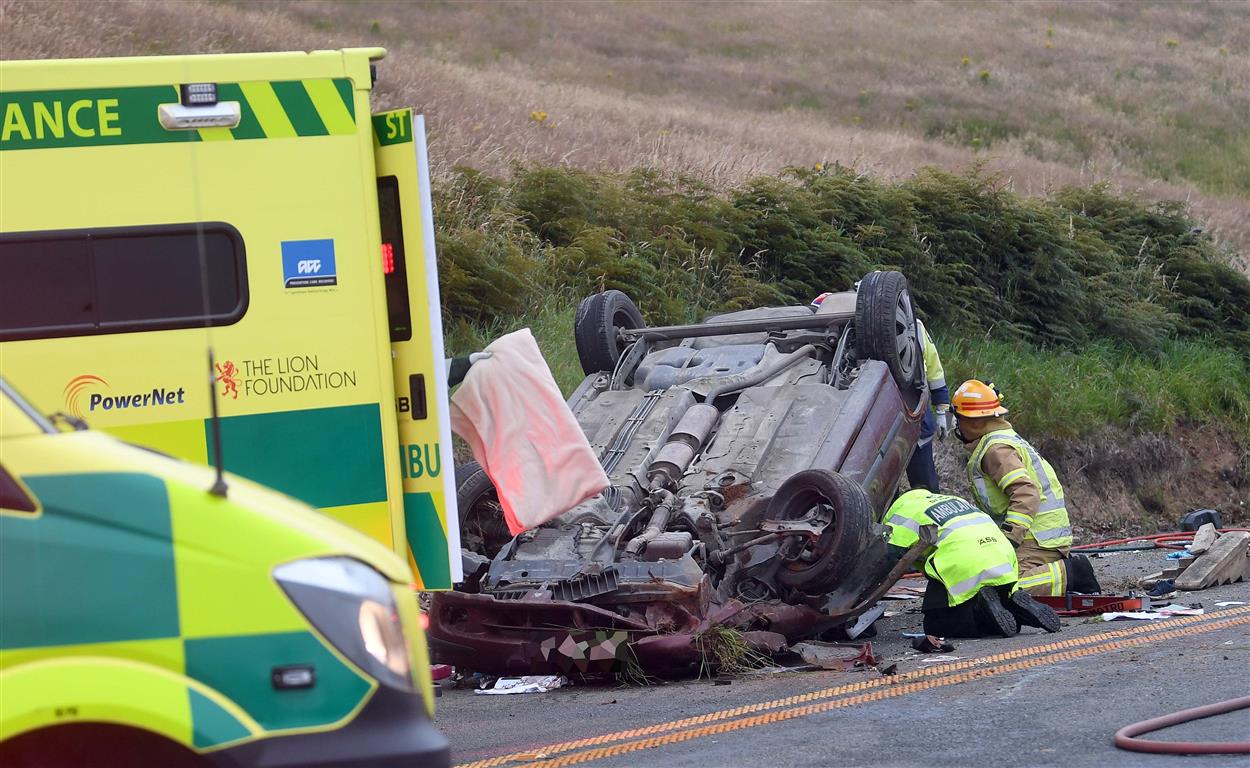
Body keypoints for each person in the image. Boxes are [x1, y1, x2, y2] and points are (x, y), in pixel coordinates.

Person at [950, 379, 1101, 597]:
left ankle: (1073, 574)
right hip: (1040, 538)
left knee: (1001, 591)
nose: (957, 425)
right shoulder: (1003, 440)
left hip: (1033, 540)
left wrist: (1009, 537)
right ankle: (1057, 570)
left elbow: (1025, 493)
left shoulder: (996, 449)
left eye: (959, 419)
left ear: (973, 422)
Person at [884, 489, 1061, 638]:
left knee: (935, 625)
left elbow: (886, 557)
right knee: (1002, 611)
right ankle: (1013, 603)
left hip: (966, 564)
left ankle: (978, 611)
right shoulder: (953, 501)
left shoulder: (900, 514)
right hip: (1003, 555)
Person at [906, 319, 951, 493]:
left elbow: (934, 371)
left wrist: (942, 412)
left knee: (925, 487)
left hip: (917, 422)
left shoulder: (914, 325)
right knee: (884, 490)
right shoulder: (911, 322)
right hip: (893, 424)